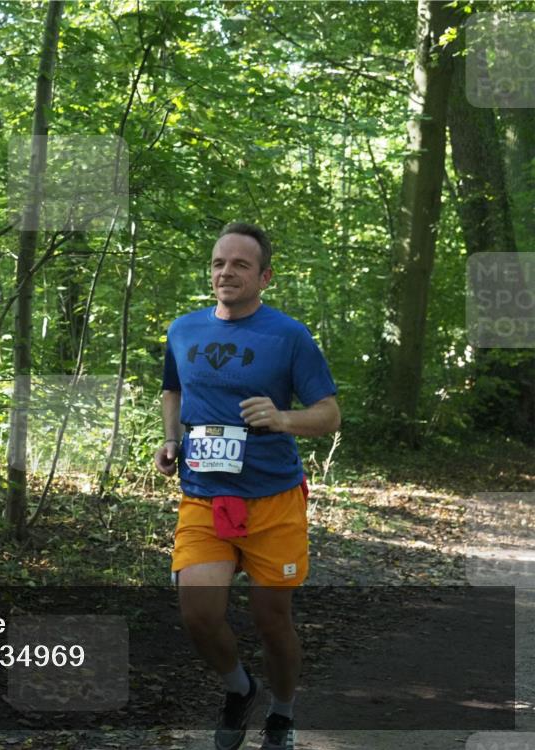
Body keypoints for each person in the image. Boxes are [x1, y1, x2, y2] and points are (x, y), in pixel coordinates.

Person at [155, 222, 340, 750]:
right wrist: (170, 440)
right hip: (203, 496)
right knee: (199, 611)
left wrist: (282, 418)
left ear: (264, 276)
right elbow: (172, 390)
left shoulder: (288, 336)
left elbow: (329, 414)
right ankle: (239, 689)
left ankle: (281, 713)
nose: (225, 272)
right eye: (218, 263)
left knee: (271, 620)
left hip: (273, 501)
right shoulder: (184, 330)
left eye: (239, 264)